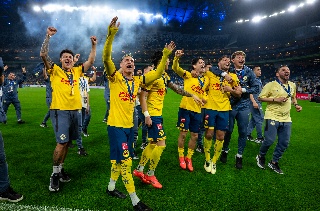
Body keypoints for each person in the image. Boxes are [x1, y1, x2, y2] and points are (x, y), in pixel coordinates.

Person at [103, 16, 175, 211]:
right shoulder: (114, 77)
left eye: (132, 60)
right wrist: (111, 35)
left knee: (117, 160)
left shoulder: (137, 81)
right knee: (126, 162)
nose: (130, 62)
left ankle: (110, 188)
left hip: (128, 127)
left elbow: (158, 73)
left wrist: (166, 55)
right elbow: (106, 57)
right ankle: (136, 201)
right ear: (120, 64)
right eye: (126, 60)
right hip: (116, 126)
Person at [133, 51, 202, 188]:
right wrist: (146, 115)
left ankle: (140, 170)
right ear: (161, 60)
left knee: (152, 143)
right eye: (167, 60)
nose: (169, 62)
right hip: (152, 114)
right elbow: (142, 96)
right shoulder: (152, 75)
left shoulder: (164, 76)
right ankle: (150, 174)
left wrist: (191, 95)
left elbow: (177, 89)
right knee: (161, 144)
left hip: (157, 114)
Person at [40, 26, 97, 192]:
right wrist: (48, 37)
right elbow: (43, 55)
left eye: (70, 57)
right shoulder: (55, 71)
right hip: (60, 111)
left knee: (68, 143)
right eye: (64, 57)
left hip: (75, 111)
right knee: (61, 142)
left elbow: (91, 61)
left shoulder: (78, 71)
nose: (67, 59)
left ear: (73, 60)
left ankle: (60, 169)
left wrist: (93, 46)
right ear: (61, 60)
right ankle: (54, 174)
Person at [256, 65, 302, 174]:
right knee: (269, 140)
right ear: (277, 73)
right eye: (283, 70)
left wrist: (296, 105)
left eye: (288, 70)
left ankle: (274, 162)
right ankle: (261, 156)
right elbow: (260, 97)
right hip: (272, 116)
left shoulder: (292, 85)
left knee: (284, 143)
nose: (287, 71)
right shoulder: (270, 85)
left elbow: (293, 97)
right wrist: (276, 99)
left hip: (286, 118)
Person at [219, 51, 259, 169]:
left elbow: (256, 87)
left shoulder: (249, 72)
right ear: (233, 60)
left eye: (243, 58)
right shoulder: (228, 70)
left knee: (243, 132)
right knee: (229, 130)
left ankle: (239, 156)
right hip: (230, 105)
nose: (242, 59)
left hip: (244, 106)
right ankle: (225, 150)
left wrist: (244, 90)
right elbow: (215, 70)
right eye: (239, 57)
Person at [203, 55, 241, 174]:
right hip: (210, 108)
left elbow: (239, 93)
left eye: (229, 61)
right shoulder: (211, 73)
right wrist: (224, 75)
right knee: (209, 134)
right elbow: (209, 69)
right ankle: (207, 159)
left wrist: (231, 90)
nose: (227, 62)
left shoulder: (233, 77)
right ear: (219, 63)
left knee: (220, 136)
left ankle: (214, 161)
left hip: (224, 109)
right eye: (224, 60)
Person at [172, 50, 209, 172]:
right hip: (185, 109)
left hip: (197, 111)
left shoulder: (203, 81)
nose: (203, 64)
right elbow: (175, 68)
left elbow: (204, 95)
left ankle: (189, 158)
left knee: (195, 135)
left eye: (204, 62)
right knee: (183, 134)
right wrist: (176, 58)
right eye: (200, 62)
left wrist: (204, 99)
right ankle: (181, 156)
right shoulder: (187, 75)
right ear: (194, 65)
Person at [0, 57, 23, 202]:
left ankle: (3, 190)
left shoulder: (13, 81)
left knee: (1, 159)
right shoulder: (5, 80)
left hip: (13, 99)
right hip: (7, 100)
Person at [196, 62, 212, 153]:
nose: (210, 71)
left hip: (210, 106)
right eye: (208, 68)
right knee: (200, 126)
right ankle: (200, 144)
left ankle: (204, 143)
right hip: (201, 105)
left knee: (207, 126)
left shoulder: (209, 78)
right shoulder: (200, 78)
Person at [247, 66, 264, 144]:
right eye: (258, 70)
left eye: (260, 69)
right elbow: (250, 92)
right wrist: (254, 102)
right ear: (253, 72)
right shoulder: (252, 80)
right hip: (254, 102)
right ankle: (260, 137)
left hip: (258, 101)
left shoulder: (258, 80)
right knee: (260, 119)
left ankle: (247, 134)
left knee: (253, 120)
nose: (260, 71)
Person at [81, 65, 97, 137]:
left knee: (88, 115)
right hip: (76, 100)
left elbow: (93, 79)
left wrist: (95, 71)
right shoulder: (74, 77)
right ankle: (71, 138)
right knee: (75, 119)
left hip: (84, 99)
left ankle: (83, 129)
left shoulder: (85, 78)